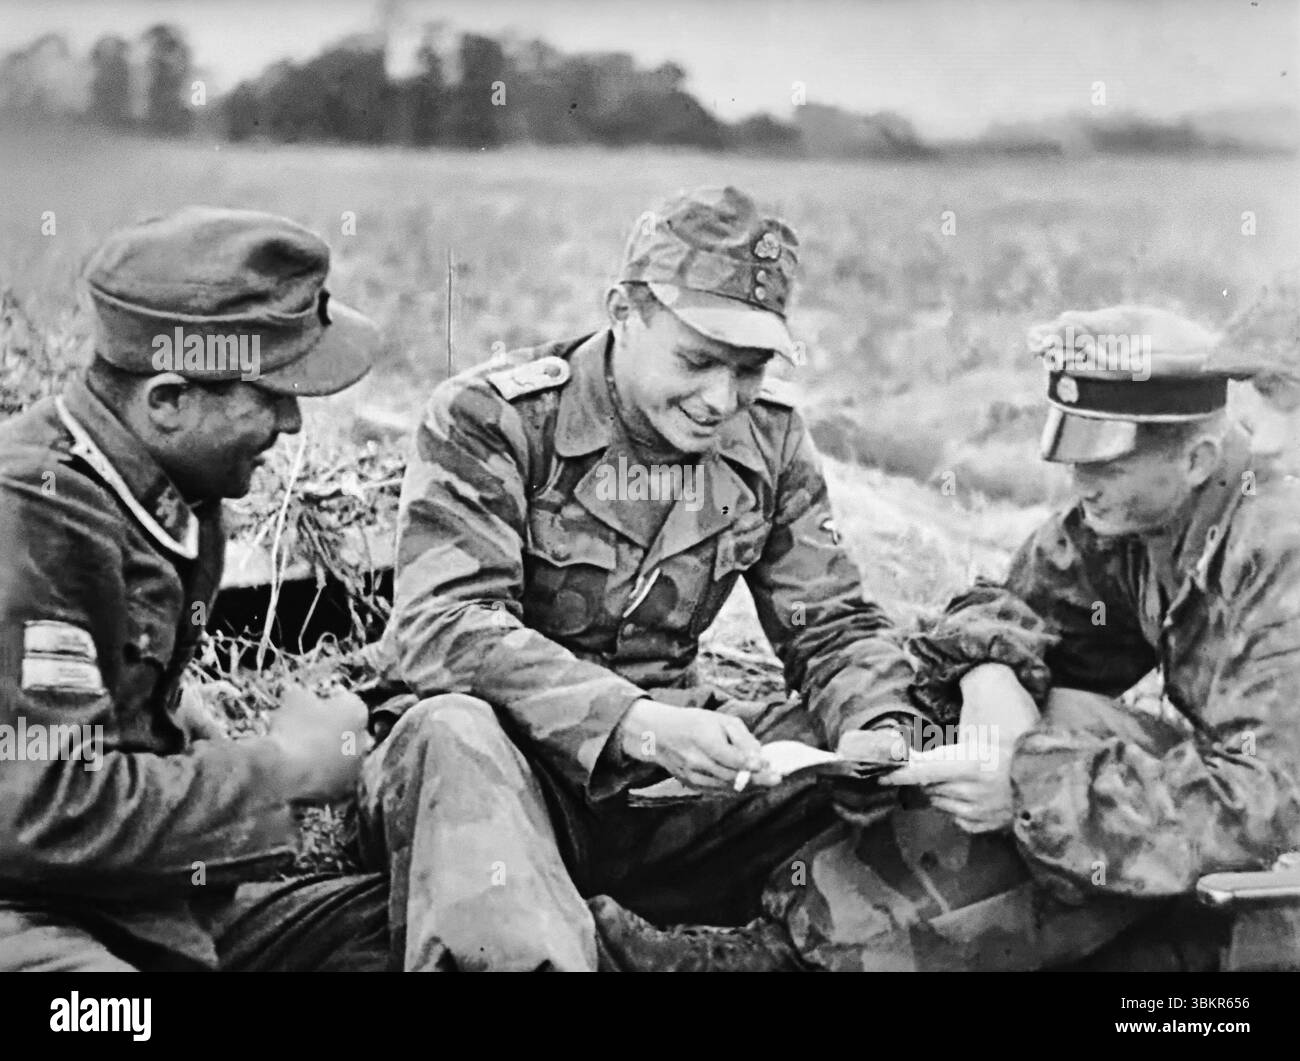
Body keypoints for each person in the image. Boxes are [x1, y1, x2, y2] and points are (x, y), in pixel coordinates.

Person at [357, 185, 960, 971]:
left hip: (674, 787)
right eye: (696, 360)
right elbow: (446, 628)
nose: (721, 400)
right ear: (622, 312)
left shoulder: (769, 439)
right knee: (451, 730)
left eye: (748, 370)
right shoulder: (493, 419)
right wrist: (636, 722)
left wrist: (879, 729)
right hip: (510, 773)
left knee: (911, 745)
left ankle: (768, 950)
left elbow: (832, 624)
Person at [599, 304, 1300, 971]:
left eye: (1107, 467)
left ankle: (797, 958)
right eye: (1078, 460)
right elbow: (1018, 610)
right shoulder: (1149, 512)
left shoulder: (1279, 548)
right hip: (1238, 855)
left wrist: (1028, 784)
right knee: (1004, 729)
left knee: (1064, 750)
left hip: (1275, 867)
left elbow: (1266, 799)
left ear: (1200, 458)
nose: (1080, 484)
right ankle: (787, 930)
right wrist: (992, 675)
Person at [0, 206, 392, 971]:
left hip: (131, 898)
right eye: (271, 393)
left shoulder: (172, 493)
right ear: (169, 399)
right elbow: (41, 810)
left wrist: (177, 715)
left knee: (405, 923)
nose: (290, 421)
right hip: (26, 904)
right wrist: (288, 767)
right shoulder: (34, 511)